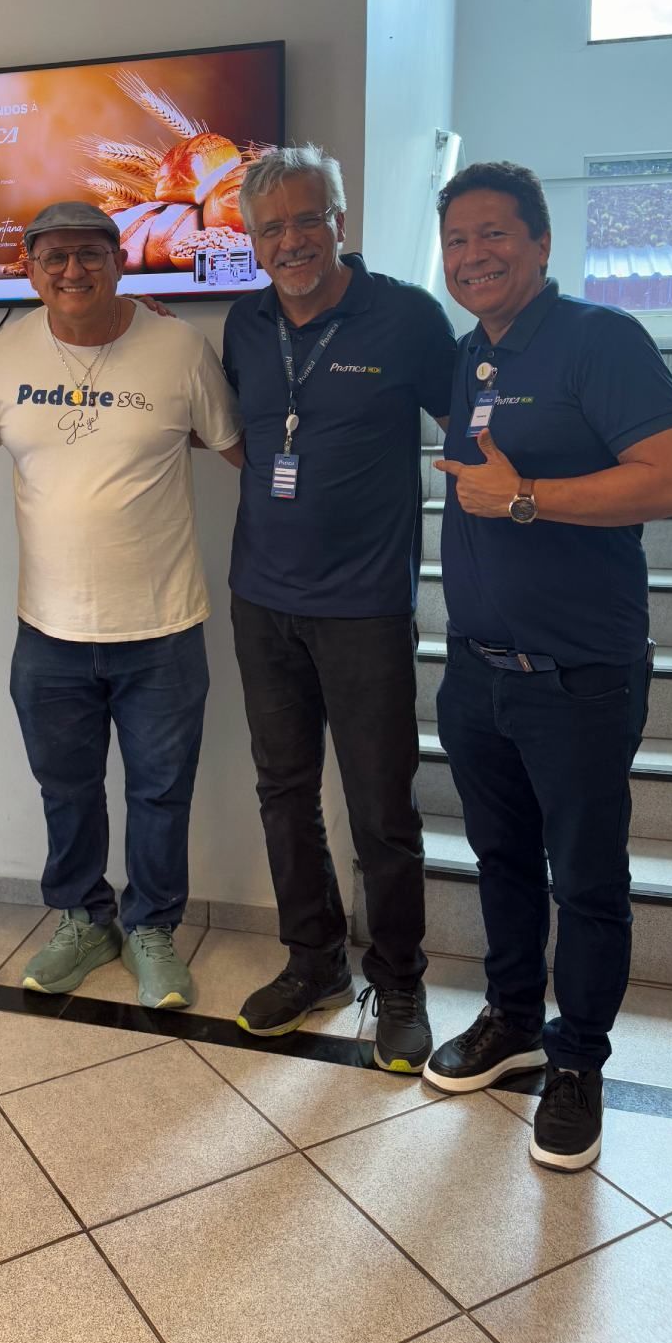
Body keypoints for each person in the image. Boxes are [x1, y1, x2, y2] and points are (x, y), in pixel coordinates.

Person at [424, 160, 672, 1170]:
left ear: (540, 242)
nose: (473, 254)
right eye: (457, 240)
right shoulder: (470, 356)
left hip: (580, 676)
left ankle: (577, 1059)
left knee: (584, 879)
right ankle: (511, 1018)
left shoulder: (599, 339)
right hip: (477, 672)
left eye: (494, 233)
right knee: (499, 859)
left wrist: (525, 496)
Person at [0, 201, 242, 1009]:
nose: (73, 270)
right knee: (67, 789)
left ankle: (151, 926)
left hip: (163, 627)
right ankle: (83, 920)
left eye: (91, 254)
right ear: (29, 268)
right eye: (54, 257)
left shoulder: (179, 347)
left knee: (160, 792)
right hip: (48, 630)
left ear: (122, 262)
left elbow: (242, 451)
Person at [221, 145, 455, 1069]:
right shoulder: (243, 324)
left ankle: (398, 981)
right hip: (261, 599)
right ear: (252, 240)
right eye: (271, 227)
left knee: (381, 806)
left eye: (308, 219)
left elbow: (472, 432)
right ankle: (313, 960)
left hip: (365, 609)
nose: (292, 240)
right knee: (283, 792)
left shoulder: (407, 316)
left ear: (341, 222)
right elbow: (241, 431)